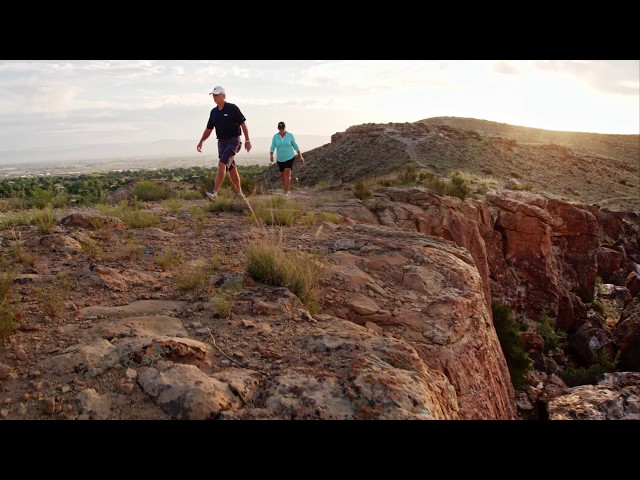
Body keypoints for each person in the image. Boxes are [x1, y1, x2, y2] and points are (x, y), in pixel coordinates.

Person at [197, 85, 252, 200]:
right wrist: (201, 141)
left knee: (222, 164)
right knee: (231, 168)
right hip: (221, 143)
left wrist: (247, 140)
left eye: (217, 95)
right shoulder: (213, 112)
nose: (214, 97)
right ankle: (239, 194)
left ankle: (214, 193)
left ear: (223, 96)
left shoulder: (232, 108)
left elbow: (243, 124)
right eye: (213, 95)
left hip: (234, 141)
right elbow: (209, 129)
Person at [269, 121, 304, 196]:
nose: (281, 130)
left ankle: (287, 191)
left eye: (282, 128)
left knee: (287, 172)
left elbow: (295, 146)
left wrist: (300, 156)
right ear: (278, 128)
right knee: (283, 176)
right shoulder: (275, 136)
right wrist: (271, 155)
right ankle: (286, 189)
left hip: (289, 157)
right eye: (280, 129)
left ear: (285, 128)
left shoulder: (290, 135)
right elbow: (272, 147)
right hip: (280, 158)